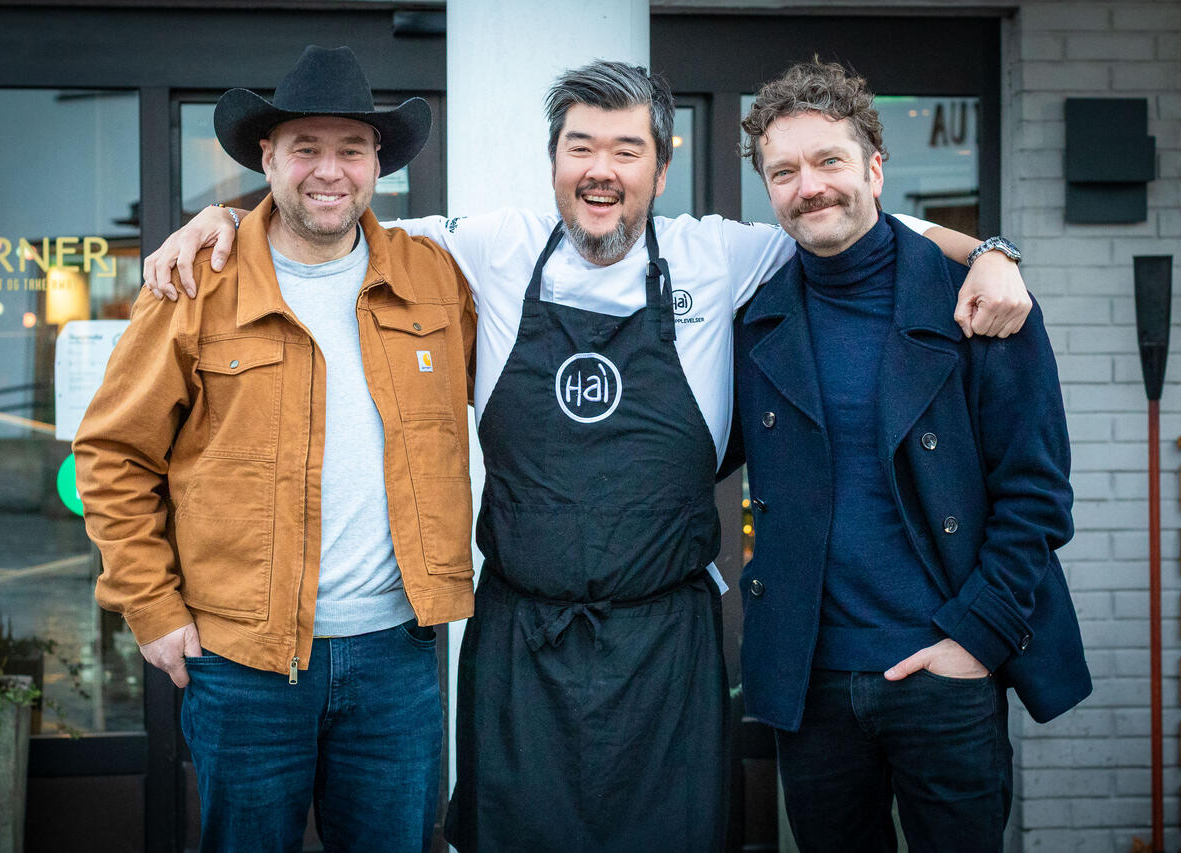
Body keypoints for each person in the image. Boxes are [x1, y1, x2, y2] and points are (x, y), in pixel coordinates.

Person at [143, 59, 1032, 852]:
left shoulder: (721, 254)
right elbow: (328, 218)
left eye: (626, 149)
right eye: (580, 148)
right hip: (521, 643)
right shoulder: (484, 248)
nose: (601, 169)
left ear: (660, 169)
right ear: (554, 163)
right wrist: (221, 218)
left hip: (667, 644)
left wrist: (992, 252)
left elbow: (861, 227)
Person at [73, 46, 477, 853]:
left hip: (396, 660)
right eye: (306, 148)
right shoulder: (197, 282)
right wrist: (151, 608)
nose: (329, 171)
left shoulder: (434, 277)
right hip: (243, 664)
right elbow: (113, 453)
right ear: (266, 158)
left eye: (351, 150)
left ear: (377, 165)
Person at [733, 59, 1091, 853]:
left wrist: (976, 641)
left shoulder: (984, 302)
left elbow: (1037, 496)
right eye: (784, 171)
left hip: (947, 673)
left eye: (829, 160)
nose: (809, 187)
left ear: (874, 168)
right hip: (811, 685)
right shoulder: (755, 319)